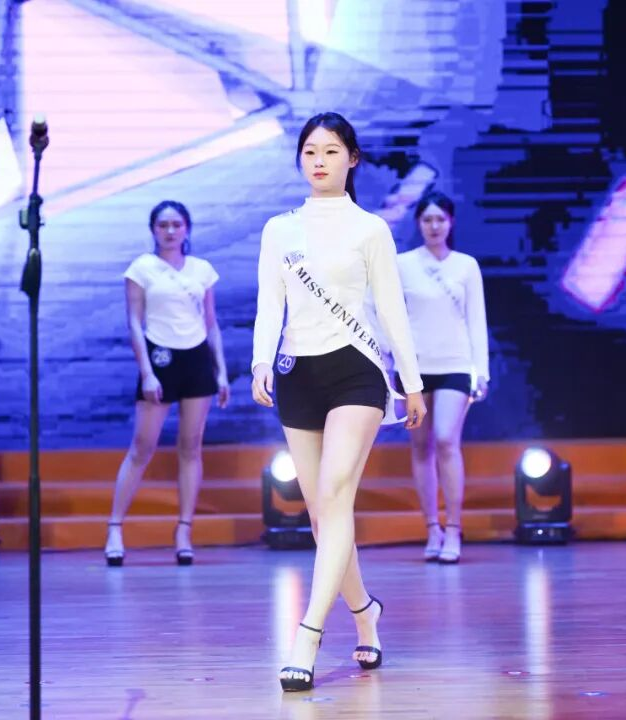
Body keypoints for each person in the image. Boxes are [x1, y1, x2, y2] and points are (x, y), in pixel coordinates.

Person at [251, 112, 427, 692]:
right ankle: (365, 614)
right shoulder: (280, 229)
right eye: (309, 151)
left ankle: (306, 636)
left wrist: (411, 381)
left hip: (357, 371)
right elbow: (269, 302)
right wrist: (259, 361)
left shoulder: (370, 229)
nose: (319, 161)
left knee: (334, 495)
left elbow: (392, 308)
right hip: (297, 371)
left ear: (353, 159)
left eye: (330, 151)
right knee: (323, 515)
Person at [103, 200, 230, 567]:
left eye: (176, 224)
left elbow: (211, 324)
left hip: (196, 360)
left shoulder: (202, 270)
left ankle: (184, 531)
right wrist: (146, 371)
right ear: (153, 230)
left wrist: (220, 371)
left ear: (186, 228)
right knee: (143, 446)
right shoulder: (142, 268)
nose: (170, 231)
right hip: (160, 357)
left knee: (190, 447)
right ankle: (115, 527)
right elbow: (134, 322)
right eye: (163, 225)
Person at [396, 191, 489, 564]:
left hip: (456, 364)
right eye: (427, 220)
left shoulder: (466, 266)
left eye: (440, 219)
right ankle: (431, 527)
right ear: (418, 224)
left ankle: (453, 528)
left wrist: (481, 371)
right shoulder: (403, 264)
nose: (434, 226)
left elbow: (476, 320)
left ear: (451, 223)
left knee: (447, 440)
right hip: (414, 368)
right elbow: (387, 313)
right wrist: (387, 357)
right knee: (421, 447)